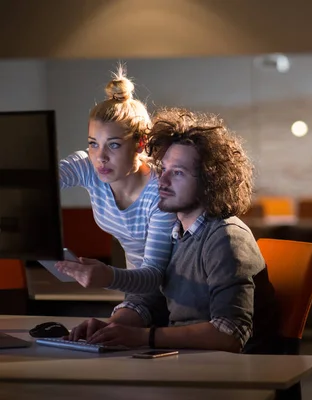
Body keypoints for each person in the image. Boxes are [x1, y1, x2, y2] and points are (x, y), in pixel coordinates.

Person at [65, 108, 281, 354]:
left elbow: (229, 333)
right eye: (163, 169)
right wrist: (111, 328)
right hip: (184, 361)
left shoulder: (227, 237)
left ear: (210, 181)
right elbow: (146, 301)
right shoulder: (175, 233)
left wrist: (142, 337)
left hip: (230, 374)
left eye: (177, 173)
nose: (162, 182)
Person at [56, 67, 177, 296]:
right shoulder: (90, 167)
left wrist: (107, 276)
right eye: (93, 143)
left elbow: (154, 275)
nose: (100, 157)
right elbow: (38, 182)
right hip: (136, 291)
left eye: (113, 145)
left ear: (140, 144)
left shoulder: (161, 192)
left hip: (176, 296)